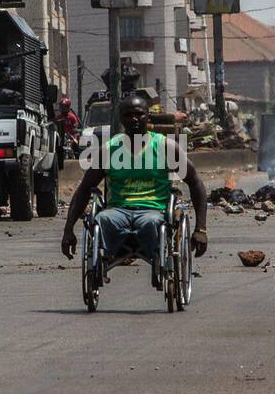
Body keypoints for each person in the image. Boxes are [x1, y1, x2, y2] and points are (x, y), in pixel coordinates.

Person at [62, 92, 207, 266]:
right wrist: (68, 230)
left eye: (139, 114)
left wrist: (201, 229)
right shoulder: (109, 150)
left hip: (153, 211)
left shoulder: (165, 147)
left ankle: (158, 261)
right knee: (102, 220)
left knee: (150, 223)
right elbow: (85, 188)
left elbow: (195, 182)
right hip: (118, 210)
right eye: (128, 115)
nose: (134, 119)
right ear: (121, 118)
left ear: (148, 116)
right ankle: (110, 257)